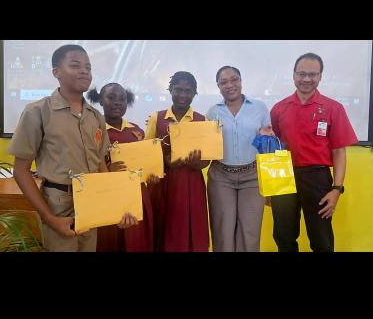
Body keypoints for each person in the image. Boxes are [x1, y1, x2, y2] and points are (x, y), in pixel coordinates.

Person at [8, 44, 137, 252]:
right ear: (56, 72)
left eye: (88, 67)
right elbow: (20, 171)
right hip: (57, 205)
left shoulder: (95, 117)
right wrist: (49, 218)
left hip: (91, 202)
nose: (85, 71)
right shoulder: (38, 112)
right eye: (75, 65)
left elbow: (101, 167)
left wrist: (116, 208)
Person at [270, 53, 358, 252]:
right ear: (293, 75)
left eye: (312, 74)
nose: (307, 79)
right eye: (302, 74)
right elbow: (274, 148)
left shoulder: (333, 108)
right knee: (283, 236)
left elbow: (339, 152)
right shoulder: (278, 109)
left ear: (320, 76)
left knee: (321, 239)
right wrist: (270, 186)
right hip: (283, 177)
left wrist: (337, 189)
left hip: (317, 178)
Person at [206, 66, 273, 252]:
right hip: (221, 177)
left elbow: (267, 146)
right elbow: (209, 147)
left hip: (252, 177)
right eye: (224, 82)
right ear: (218, 86)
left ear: (241, 81)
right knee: (222, 232)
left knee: (249, 233)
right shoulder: (212, 112)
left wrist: (267, 137)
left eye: (234, 79)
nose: (230, 85)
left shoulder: (259, 107)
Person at [87, 83, 157, 252]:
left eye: (122, 99)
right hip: (108, 196)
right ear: (100, 101)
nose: (117, 102)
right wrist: (106, 171)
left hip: (137, 196)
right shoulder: (94, 130)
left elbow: (147, 163)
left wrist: (151, 177)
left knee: (137, 241)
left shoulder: (136, 131)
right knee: (109, 241)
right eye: (111, 98)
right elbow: (86, 166)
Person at [145, 71, 210, 252]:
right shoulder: (156, 118)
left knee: (192, 230)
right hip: (163, 182)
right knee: (165, 227)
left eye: (188, 91)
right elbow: (146, 154)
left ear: (195, 93)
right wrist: (165, 162)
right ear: (170, 90)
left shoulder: (202, 120)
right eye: (178, 90)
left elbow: (207, 160)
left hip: (191, 183)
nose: (182, 95)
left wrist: (199, 163)